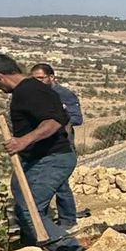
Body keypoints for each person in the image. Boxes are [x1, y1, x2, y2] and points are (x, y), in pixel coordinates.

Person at [0, 52, 81, 251]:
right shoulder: (26, 90)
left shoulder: (30, 91)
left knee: (30, 208)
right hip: (36, 159)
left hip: (52, 158)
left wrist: (23, 141)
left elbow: (53, 121)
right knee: (21, 198)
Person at [30, 63, 86, 229]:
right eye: (34, 79)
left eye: (41, 78)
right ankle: (43, 218)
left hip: (61, 145)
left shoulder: (64, 95)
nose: (37, 82)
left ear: (51, 77)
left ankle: (67, 219)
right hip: (40, 145)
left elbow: (77, 118)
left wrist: (53, 122)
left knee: (60, 183)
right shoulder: (34, 95)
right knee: (40, 181)